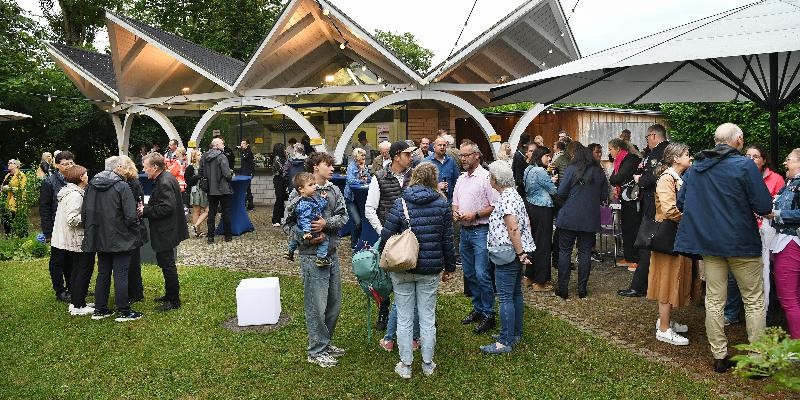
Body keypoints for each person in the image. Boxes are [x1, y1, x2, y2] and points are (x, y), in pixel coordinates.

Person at [674, 123, 773, 373]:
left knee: (714, 300)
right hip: (742, 243)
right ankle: (759, 359)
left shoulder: (696, 169)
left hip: (710, 244)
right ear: (738, 139)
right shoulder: (744, 166)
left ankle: (719, 356)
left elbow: (681, 202)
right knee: (753, 301)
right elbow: (763, 205)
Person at [380, 162, 454, 378]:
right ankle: (428, 364)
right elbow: (447, 240)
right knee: (427, 316)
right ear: (434, 179)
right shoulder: (442, 204)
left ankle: (406, 365)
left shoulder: (400, 202)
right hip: (430, 269)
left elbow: (386, 235)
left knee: (404, 316)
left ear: (414, 177)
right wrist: (450, 267)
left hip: (402, 266)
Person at [283, 152, 348, 368]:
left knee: (333, 303)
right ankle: (316, 350)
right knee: (316, 305)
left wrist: (325, 224)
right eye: (327, 165)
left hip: (331, 253)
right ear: (315, 167)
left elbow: (344, 216)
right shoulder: (298, 193)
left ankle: (325, 343)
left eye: (332, 165)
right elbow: (287, 224)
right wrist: (305, 237)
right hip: (311, 256)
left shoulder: (333, 190)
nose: (332, 168)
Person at [725, 144, 785, 325]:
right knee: (733, 274)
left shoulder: (776, 179)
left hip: (766, 234)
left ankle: (765, 314)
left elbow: (778, 208)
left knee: (765, 273)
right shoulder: (739, 175)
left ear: (764, 160)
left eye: (755, 156)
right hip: (742, 230)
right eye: (748, 156)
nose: (750, 160)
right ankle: (732, 312)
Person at [481, 161, 535, 354]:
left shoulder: (506, 198)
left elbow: (513, 227)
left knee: (505, 297)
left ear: (496, 179)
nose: (489, 180)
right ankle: (514, 333)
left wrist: (520, 253)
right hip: (514, 252)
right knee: (515, 294)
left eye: (490, 177)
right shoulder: (514, 194)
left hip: (508, 253)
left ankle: (505, 341)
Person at [82, 155, 142, 322]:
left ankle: (101, 309)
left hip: (99, 236)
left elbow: (84, 212)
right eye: (123, 166)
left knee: (103, 272)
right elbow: (131, 216)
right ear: (119, 168)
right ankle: (123, 310)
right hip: (120, 236)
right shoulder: (122, 186)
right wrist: (135, 230)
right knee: (121, 273)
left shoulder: (92, 185)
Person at [365, 140, 416, 331]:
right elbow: (370, 209)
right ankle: (384, 311)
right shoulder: (379, 177)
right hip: (390, 237)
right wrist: (383, 232)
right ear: (396, 156)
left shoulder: (414, 175)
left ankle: (411, 314)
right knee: (385, 278)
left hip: (411, 236)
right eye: (407, 154)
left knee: (410, 274)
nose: (411, 158)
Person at [647, 142, 694, 346]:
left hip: (676, 236)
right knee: (667, 280)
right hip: (668, 237)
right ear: (676, 158)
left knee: (673, 277)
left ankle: (666, 321)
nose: (690, 157)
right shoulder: (667, 178)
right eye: (687, 154)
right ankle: (664, 328)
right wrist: (691, 218)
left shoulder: (677, 177)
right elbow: (668, 210)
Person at [619, 124, 670, 297]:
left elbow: (651, 177)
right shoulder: (666, 151)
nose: (647, 141)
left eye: (647, 137)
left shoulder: (658, 152)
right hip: (659, 205)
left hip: (654, 206)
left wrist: (639, 180)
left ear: (654, 136)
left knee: (646, 245)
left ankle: (639, 286)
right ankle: (646, 284)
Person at [453, 141, 499, 334]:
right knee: (470, 273)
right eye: (461, 156)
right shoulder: (461, 178)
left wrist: (476, 215)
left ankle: (489, 313)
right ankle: (478, 308)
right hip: (464, 231)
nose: (463, 159)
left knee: (482, 273)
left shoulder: (486, 177)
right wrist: (455, 212)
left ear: (477, 155)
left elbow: (496, 205)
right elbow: (454, 203)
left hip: (481, 230)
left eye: (466, 155)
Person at [554, 147, 609, 299]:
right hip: (589, 218)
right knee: (585, 253)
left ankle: (563, 288)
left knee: (565, 252)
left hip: (569, 216)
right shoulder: (599, 171)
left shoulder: (571, 169)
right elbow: (605, 195)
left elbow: (561, 192)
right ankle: (582, 289)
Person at [140, 152, 189, 311]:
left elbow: (167, 207)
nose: (144, 169)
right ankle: (170, 295)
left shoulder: (164, 181)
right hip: (168, 229)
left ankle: (173, 300)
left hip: (167, 230)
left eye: (145, 167)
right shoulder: (165, 178)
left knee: (168, 265)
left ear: (155, 167)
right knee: (166, 264)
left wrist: (145, 211)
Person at [51, 165, 94, 316]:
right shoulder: (75, 195)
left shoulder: (71, 192)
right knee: (83, 270)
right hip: (77, 239)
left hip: (73, 239)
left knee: (77, 270)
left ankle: (77, 301)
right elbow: (72, 219)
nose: (88, 177)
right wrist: (91, 218)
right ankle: (78, 306)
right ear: (81, 177)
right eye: (86, 174)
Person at [770, 148, 800, 338]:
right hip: (788, 242)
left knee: (788, 298)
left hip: (790, 243)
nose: (785, 163)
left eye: (788, 159)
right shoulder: (790, 183)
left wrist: (776, 214)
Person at [41, 150, 75, 302]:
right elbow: (45, 208)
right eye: (64, 164)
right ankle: (60, 290)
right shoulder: (49, 182)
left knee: (72, 259)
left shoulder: (75, 179)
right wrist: (48, 232)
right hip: (56, 228)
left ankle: (73, 287)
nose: (68, 166)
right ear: (56, 165)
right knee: (57, 260)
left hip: (72, 227)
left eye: (70, 163)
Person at [523, 146, 558, 291]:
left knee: (533, 243)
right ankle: (540, 281)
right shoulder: (540, 171)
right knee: (543, 245)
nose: (549, 159)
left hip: (531, 207)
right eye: (547, 156)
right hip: (543, 208)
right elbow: (553, 190)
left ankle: (529, 276)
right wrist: (553, 181)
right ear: (540, 156)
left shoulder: (528, 169)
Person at [608, 138, 643, 271]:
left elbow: (617, 178)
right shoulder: (620, 160)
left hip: (633, 198)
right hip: (625, 198)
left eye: (610, 149)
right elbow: (614, 178)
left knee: (633, 227)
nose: (609, 152)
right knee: (626, 227)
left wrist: (615, 180)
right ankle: (629, 257)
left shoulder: (630, 159)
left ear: (617, 149)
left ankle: (635, 259)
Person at [118, 158, 147, 304]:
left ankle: (134, 293)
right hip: (135, 226)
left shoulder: (130, 183)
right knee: (132, 261)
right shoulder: (133, 181)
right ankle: (135, 292)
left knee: (132, 262)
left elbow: (134, 206)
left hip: (132, 227)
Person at [286, 172, 330, 265]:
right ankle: (321, 258)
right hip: (310, 228)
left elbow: (319, 207)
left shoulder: (309, 199)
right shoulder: (305, 204)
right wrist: (307, 232)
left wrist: (323, 199)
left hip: (303, 227)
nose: (314, 187)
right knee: (324, 240)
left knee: (295, 240)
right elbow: (304, 218)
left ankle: (289, 251)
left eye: (314, 184)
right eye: (310, 185)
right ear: (301, 189)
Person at [200, 137, 233, 243]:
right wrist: (230, 175)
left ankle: (210, 236)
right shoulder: (222, 157)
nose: (224, 146)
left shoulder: (204, 156)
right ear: (217, 145)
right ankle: (228, 235)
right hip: (223, 189)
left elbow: (201, 172)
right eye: (223, 144)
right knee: (226, 212)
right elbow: (227, 174)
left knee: (211, 212)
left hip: (210, 189)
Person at [344, 147, 370, 249]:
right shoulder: (351, 167)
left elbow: (369, 178)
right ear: (356, 156)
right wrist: (363, 180)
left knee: (363, 220)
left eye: (364, 155)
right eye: (362, 155)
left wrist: (364, 172)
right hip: (351, 198)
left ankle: (360, 240)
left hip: (361, 197)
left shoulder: (364, 166)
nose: (364, 157)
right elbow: (351, 181)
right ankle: (354, 243)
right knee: (357, 221)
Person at [425, 137, 460, 203]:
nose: (442, 147)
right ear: (434, 147)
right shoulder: (426, 162)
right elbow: (421, 184)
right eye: (439, 145)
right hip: (433, 202)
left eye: (444, 145)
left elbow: (457, 181)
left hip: (449, 202)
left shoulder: (451, 161)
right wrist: (436, 186)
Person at [186, 150, 209, 236]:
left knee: (207, 210)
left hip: (204, 190)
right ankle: (197, 231)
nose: (201, 156)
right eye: (198, 155)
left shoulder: (203, 166)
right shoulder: (190, 168)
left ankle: (195, 227)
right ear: (194, 157)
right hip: (195, 191)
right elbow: (188, 181)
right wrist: (197, 177)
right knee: (196, 211)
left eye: (201, 154)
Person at [2, 159, 27, 235]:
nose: (8, 164)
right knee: (5, 221)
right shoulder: (7, 175)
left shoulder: (21, 175)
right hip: (6, 201)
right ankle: (8, 236)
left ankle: (21, 237)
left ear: (16, 165)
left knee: (17, 221)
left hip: (16, 201)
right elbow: (3, 186)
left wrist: (9, 188)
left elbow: (21, 189)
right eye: (8, 163)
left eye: (10, 163)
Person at [271, 143, 288, 227]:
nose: (285, 150)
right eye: (284, 149)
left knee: (281, 200)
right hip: (279, 179)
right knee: (279, 199)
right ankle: (275, 220)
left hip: (282, 179)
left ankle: (281, 218)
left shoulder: (282, 158)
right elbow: (282, 170)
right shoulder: (277, 158)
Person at [239, 139, 255, 210]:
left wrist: (251, 173)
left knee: (247, 189)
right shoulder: (244, 151)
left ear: (247, 144)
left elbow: (245, 157)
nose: (241, 145)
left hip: (247, 173)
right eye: (241, 143)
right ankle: (246, 205)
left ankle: (250, 206)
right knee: (244, 189)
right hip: (243, 172)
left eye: (243, 143)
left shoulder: (249, 152)